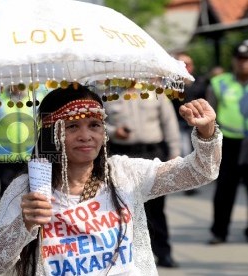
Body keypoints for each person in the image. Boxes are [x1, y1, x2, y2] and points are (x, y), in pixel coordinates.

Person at [0, 83, 221, 276]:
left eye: (94, 125)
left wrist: (207, 132)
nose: (86, 136)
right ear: (50, 133)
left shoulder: (125, 174)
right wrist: (24, 225)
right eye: (72, 126)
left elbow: (200, 171)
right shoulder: (26, 189)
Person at [103, 87, 181, 268]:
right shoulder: (107, 93)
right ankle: (126, 256)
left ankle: (164, 253)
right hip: (121, 153)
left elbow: (169, 123)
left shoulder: (155, 92)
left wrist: (175, 153)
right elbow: (98, 122)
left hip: (152, 152)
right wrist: (114, 131)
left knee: (156, 209)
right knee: (122, 207)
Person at [207, 40, 248, 245]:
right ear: (234, 61)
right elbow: (209, 115)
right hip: (228, 143)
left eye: (247, 59)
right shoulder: (219, 82)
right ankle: (219, 231)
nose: (244, 63)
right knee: (225, 190)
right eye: (240, 59)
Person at [0, 85, 47, 198]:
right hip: (6, 158)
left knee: (34, 195)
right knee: (7, 195)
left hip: (33, 156)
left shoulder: (39, 98)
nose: (18, 84)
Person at [172, 52, 209, 196]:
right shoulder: (172, 84)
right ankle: (189, 184)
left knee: (201, 153)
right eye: (181, 64)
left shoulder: (201, 82)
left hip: (198, 124)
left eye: (187, 64)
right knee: (185, 153)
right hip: (181, 124)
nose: (185, 67)